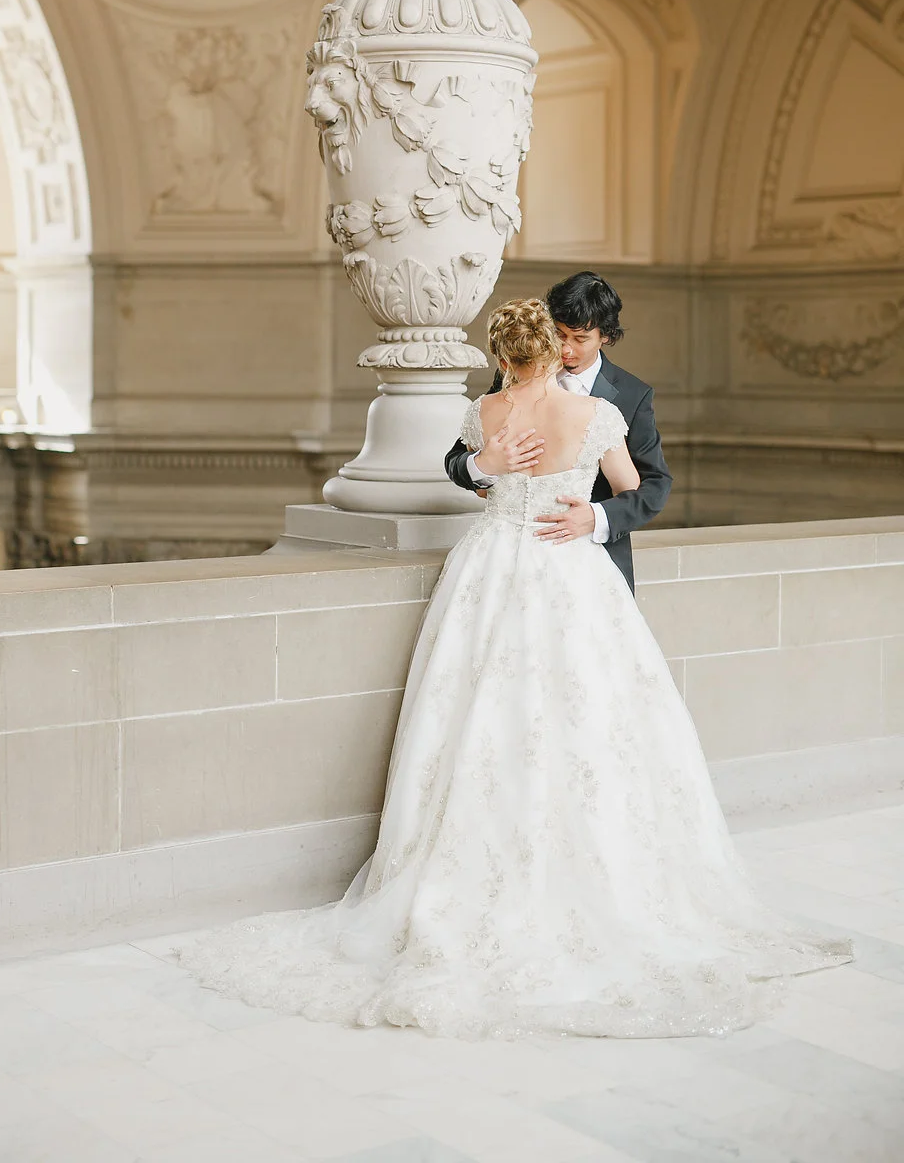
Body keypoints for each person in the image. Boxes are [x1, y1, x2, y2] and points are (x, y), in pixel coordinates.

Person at [180, 298, 850, 1039]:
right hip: (568, 572)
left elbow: (489, 478)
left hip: (491, 570)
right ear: (551, 351)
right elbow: (630, 485)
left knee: (476, 714)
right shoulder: (592, 415)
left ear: (501, 356)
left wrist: (498, 470)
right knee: (585, 718)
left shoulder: (485, 412)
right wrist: (580, 512)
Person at [444, 270, 670, 593]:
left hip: (591, 561)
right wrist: (483, 465)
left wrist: (597, 517)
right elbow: (457, 459)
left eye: (580, 339)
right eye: (560, 335)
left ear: (605, 336)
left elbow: (655, 485)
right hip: (505, 565)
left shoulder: (633, 396)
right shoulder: (515, 373)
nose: (566, 349)